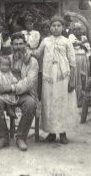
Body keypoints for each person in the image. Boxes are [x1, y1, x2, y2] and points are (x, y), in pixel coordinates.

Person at [32, 16, 77, 144]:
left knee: (62, 103)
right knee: (49, 103)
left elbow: (72, 62)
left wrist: (72, 80)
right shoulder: (45, 41)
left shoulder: (67, 41)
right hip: (48, 76)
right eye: (53, 26)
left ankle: (62, 133)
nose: (56, 28)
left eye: (58, 26)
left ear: (63, 27)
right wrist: (27, 49)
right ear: (50, 27)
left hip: (63, 76)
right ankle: (51, 133)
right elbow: (37, 54)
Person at [0, 32, 38, 151]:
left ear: (25, 45)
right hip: (5, 95)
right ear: (11, 45)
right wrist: (2, 88)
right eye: (15, 44)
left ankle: (21, 137)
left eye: (21, 44)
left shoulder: (32, 62)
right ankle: (3, 137)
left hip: (24, 94)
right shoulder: (6, 60)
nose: (18, 46)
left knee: (31, 104)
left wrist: (11, 88)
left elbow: (29, 82)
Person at [68, 22, 91, 107]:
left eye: (79, 29)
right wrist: (82, 43)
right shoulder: (71, 37)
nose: (77, 31)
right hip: (75, 58)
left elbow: (87, 49)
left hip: (83, 58)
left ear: (81, 30)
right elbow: (72, 45)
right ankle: (75, 99)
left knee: (83, 78)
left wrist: (81, 44)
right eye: (75, 29)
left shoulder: (84, 37)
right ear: (72, 31)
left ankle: (83, 99)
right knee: (76, 77)